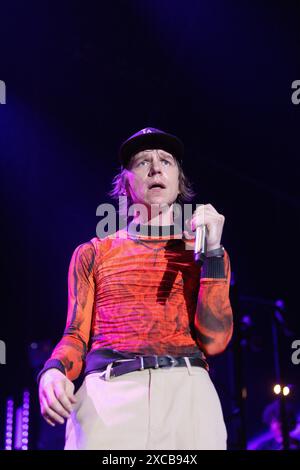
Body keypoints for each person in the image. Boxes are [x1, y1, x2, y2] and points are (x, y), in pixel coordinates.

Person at [38, 127, 233, 450]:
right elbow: (75, 334)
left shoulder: (206, 252)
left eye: (166, 162)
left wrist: (212, 254)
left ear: (179, 180)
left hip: (187, 392)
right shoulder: (94, 253)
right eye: (143, 162)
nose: (156, 169)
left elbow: (215, 342)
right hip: (109, 395)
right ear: (125, 182)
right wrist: (53, 371)